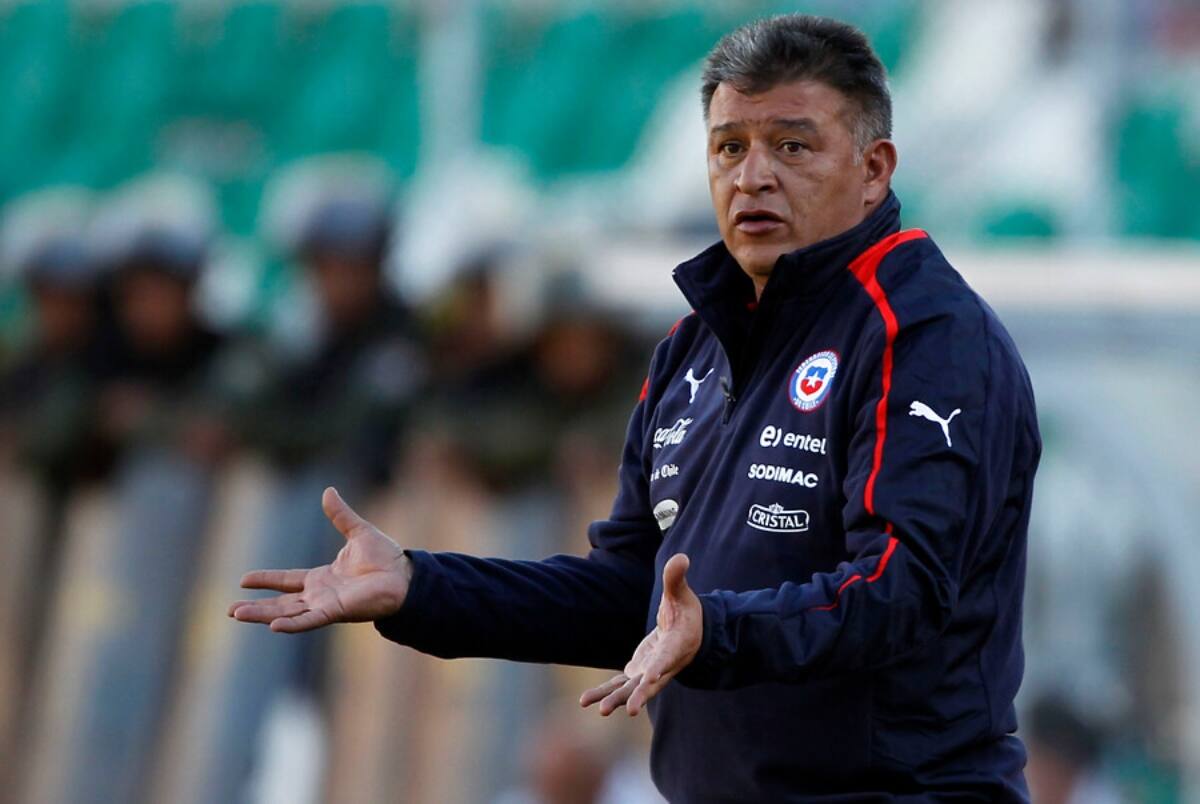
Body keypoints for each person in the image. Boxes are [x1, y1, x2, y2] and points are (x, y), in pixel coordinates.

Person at [230, 14, 1041, 801]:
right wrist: (420, 586)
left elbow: (898, 588)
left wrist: (715, 630)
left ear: (874, 170)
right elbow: (627, 597)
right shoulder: (692, 350)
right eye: (730, 148)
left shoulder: (924, 336)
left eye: (792, 145)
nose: (753, 176)